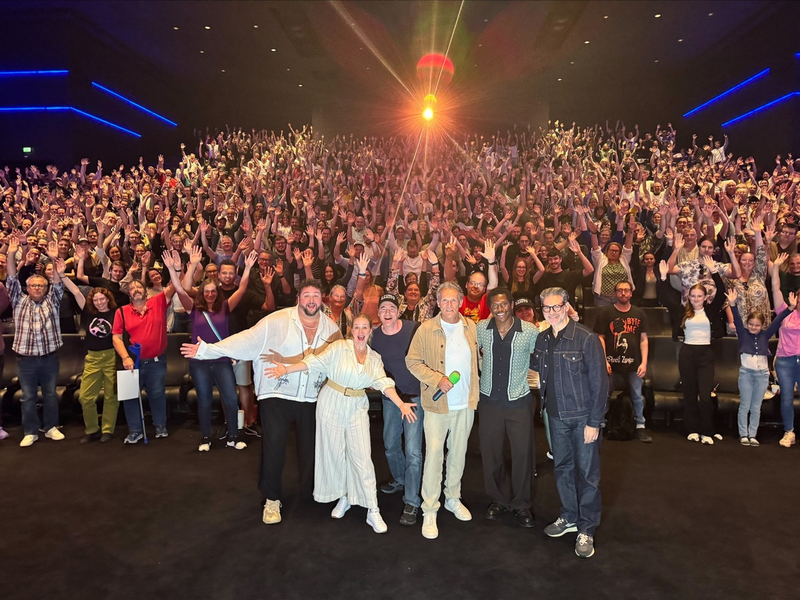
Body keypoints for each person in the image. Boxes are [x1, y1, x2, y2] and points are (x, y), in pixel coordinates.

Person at [180, 279, 341, 525]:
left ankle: (313, 493)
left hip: (312, 398)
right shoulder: (275, 321)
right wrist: (207, 350)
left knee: (313, 448)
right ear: (298, 298)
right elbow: (246, 340)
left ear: (322, 300)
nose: (311, 301)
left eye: (316, 296)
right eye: (306, 295)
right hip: (276, 395)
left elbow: (338, 361)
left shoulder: (331, 329)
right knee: (274, 448)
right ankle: (272, 499)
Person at [265, 313, 416, 533]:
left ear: (369, 332)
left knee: (362, 458)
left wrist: (401, 404)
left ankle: (373, 509)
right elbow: (313, 362)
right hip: (331, 403)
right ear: (351, 331)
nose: (361, 332)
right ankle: (345, 496)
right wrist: (286, 369)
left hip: (356, 405)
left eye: (365, 327)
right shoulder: (339, 348)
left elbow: (384, 383)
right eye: (357, 327)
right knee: (336, 453)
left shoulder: (374, 358)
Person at [533, 287, 608, 559]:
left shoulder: (586, 338)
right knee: (562, 469)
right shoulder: (542, 339)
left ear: (566, 307)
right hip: (555, 417)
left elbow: (600, 384)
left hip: (582, 418)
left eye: (556, 307)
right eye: (546, 308)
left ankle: (587, 528)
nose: (551, 312)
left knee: (588, 476)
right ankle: (569, 516)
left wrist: (594, 422)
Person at [406, 281, 480, 540]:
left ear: (461, 302)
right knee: (434, 456)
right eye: (444, 300)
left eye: (453, 300)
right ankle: (429, 508)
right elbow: (412, 361)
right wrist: (436, 378)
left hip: (465, 404)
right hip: (438, 405)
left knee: (459, 454)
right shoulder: (426, 329)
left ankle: (452, 497)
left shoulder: (471, 327)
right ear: (438, 302)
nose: (449, 305)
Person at [166, 246, 258, 451]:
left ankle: (234, 436)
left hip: (222, 361)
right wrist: (173, 269)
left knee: (231, 399)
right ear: (202, 293)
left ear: (217, 294)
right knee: (205, 400)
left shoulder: (225, 308)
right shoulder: (194, 309)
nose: (209, 294)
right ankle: (206, 437)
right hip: (199, 363)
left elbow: (241, 289)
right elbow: (180, 289)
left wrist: (248, 268)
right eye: (206, 292)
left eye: (212, 292)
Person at [476, 287, 539, 527]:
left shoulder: (529, 331)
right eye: (495, 305)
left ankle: (522, 503)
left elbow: (541, 357)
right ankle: (499, 499)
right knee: (491, 453)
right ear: (490, 307)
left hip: (519, 402)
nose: (500, 309)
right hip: (489, 401)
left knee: (523, 454)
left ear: (511, 304)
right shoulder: (482, 328)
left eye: (504, 304)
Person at [6, 235, 66, 447]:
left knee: (50, 394)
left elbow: (58, 283)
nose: (38, 288)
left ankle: (50, 427)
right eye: (34, 286)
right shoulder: (18, 301)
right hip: (26, 360)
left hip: (49, 358)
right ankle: (30, 431)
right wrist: (12, 254)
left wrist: (54, 259)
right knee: (28, 397)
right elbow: (12, 278)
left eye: (42, 286)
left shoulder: (53, 301)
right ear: (28, 288)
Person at [112, 251, 177, 444]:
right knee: (130, 396)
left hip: (156, 361)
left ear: (145, 291)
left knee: (157, 394)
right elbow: (116, 337)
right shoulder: (121, 311)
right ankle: (135, 430)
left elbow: (175, 286)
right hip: (133, 361)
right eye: (132, 289)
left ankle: (160, 425)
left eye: (138, 287)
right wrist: (125, 357)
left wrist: (174, 268)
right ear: (129, 294)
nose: (135, 290)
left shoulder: (157, 302)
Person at [370, 293, 424, 526]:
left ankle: (412, 500)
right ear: (379, 313)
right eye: (383, 308)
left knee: (413, 451)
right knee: (391, 444)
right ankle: (401, 479)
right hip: (391, 399)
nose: (388, 311)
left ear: (399, 310)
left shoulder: (414, 329)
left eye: (392, 307)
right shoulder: (374, 336)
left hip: (414, 399)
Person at [670, 260, 727, 445]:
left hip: (705, 354)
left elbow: (720, 290)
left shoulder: (710, 310)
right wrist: (664, 277)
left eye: (699, 296)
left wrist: (713, 271)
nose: (695, 298)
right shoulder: (683, 312)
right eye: (692, 296)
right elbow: (665, 295)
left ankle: (707, 430)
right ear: (689, 297)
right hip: (687, 353)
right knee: (689, 393)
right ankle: (692, 429)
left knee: (705, 394)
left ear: (704, 297)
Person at [727, 287, 792, 447]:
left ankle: (752, 434)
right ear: (747, 324)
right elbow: (736, 318)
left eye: (757, 325)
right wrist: (733, 304)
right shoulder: (743, 335)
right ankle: (743, 434)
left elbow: (777, 321)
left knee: (756, 406)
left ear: (762, 326)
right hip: (746, 374)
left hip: (762, 375)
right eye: (751, 324)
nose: (754, 327)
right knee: (745, 405)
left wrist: (790, 308)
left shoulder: (765, 334)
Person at [60, 279, 119, 444]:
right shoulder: (88, 312)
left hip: (112, 357)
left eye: (102, 299)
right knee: (85, 397)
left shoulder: (117, 313)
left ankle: (108, 429)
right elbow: (76, 292)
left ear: (108, 299)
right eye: (96, 300)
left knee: (111, 396)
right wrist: (63, 276)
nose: (99, 302)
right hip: (92, 358)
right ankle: (92, 430)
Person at [594, 280, 653, 443]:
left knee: (637, 396)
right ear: (615, 293)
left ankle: (640, 426)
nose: (623, 293)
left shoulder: (639, 313)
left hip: (634, 364)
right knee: (604, 395)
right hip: (611, 364)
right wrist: (603, 360)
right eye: (620, 290)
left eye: (626, 290)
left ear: (631, 293)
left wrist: (644, 363)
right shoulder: (606, 313)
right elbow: (600, 338)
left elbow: (644, 340)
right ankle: (602, 424)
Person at [770, 254, 800, 448]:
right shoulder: (785, 311)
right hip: (785, 361)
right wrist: (776, 268)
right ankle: (789, 431)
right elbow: (775, 288)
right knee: (787, 397)